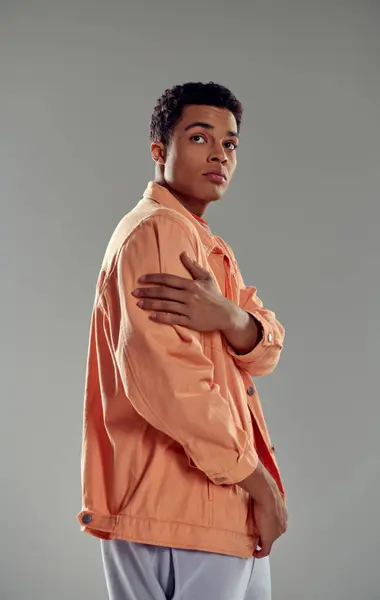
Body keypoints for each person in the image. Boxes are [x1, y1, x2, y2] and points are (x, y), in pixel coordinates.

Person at [78, 81, 288, 600]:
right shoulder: (159, 233)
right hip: (189, 509)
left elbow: (269, 346)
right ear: (159, 151)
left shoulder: (203, 243)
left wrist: (228, 317)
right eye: (199, 138)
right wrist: (261, 486)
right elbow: (171, 384)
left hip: (182, 511)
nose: (220, 153)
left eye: (231, 143)